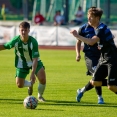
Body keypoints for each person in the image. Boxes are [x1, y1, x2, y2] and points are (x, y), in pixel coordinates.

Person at [70, 6, 117, 102]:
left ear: (97, 18)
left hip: (112, 58)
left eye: (91, 16)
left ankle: (100, 94)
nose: (88, 18)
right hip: (102, 58)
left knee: (111, 86)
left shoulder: (101, 29)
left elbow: (91, 42)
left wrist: (77, 35)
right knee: (95, 81)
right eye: (88, 16)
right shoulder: (95, 28)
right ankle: (86, 92)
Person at [0, 21, 46, 102]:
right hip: (21, 63)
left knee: (42, 79)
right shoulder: (16, 40)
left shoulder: (33, 42)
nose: (23, 32)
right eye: (22, 30)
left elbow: (35, 59)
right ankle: (30, 85)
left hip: (34, 62)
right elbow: (5, 46)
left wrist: (32, 73)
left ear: (29, 30)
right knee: (19, 85)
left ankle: (40, 96)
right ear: (19, 30)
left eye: (25, 30)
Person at [75, 36, 107, 104]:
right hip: (90, 57)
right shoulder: (83, 28)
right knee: (96, 75)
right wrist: (78, 54)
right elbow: (79, 41)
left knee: (98, 78)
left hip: (102, 57)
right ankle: (100, 97)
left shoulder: (101, 28)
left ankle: (81, 91)